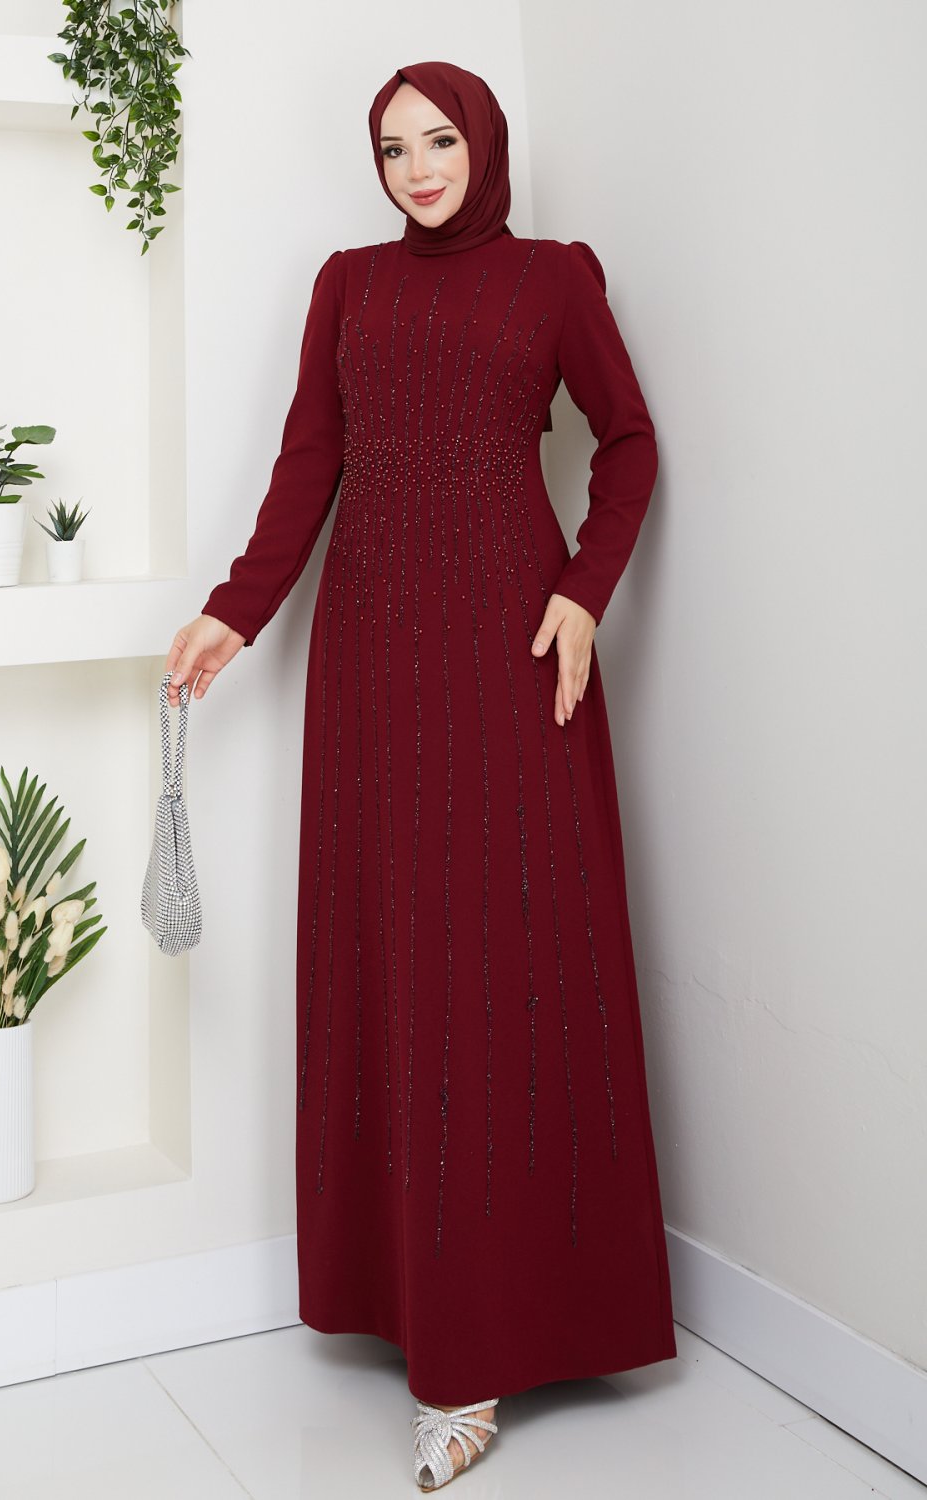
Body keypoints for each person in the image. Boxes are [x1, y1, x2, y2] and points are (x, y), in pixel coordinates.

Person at [165, 59, 677, 1493]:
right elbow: (308, 464)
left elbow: (630, 443)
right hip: (375, 658)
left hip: (516, 647)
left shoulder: (556, 279)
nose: (418, 168)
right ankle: (419, 1309)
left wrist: (584, 593)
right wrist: (233, 611)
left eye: (440, 139)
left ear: (484, 142)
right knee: (401, 961)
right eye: (393, 149)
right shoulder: (349, 287)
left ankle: (502, 1331)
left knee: (506, 960)